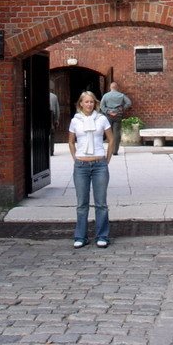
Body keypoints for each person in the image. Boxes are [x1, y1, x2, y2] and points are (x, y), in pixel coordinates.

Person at [68, 90, 113, 249]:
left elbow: (111, 139)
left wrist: (106, 159)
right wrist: (75, 158)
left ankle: (102, 236)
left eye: (91, 102)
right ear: (80, 103)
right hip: (81, 166)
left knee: (101, 203)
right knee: (82, 203)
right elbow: (71, 141)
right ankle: (80, 236)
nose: (89, 104)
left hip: (99, 164)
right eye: (86, 102)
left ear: (95, 103)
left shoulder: (101, 119)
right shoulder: (76, 120)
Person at [99, 81, 132, 156]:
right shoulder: (121, 95)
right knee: (116, 133)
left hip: (108, 116)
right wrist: (122, 108)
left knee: (108, 133)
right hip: (118, 115)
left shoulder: (106, 96)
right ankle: (115, 150)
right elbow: (129, 103)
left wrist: (108, 111)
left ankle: (109, 150)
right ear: (117, 87)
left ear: (110, 87)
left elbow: (101, 106)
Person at [49, 90, 60, 156]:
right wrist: (56, 119)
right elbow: (57, 109)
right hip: (51, 115)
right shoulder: (54, 96)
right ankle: (51, 151)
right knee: (52, 133)